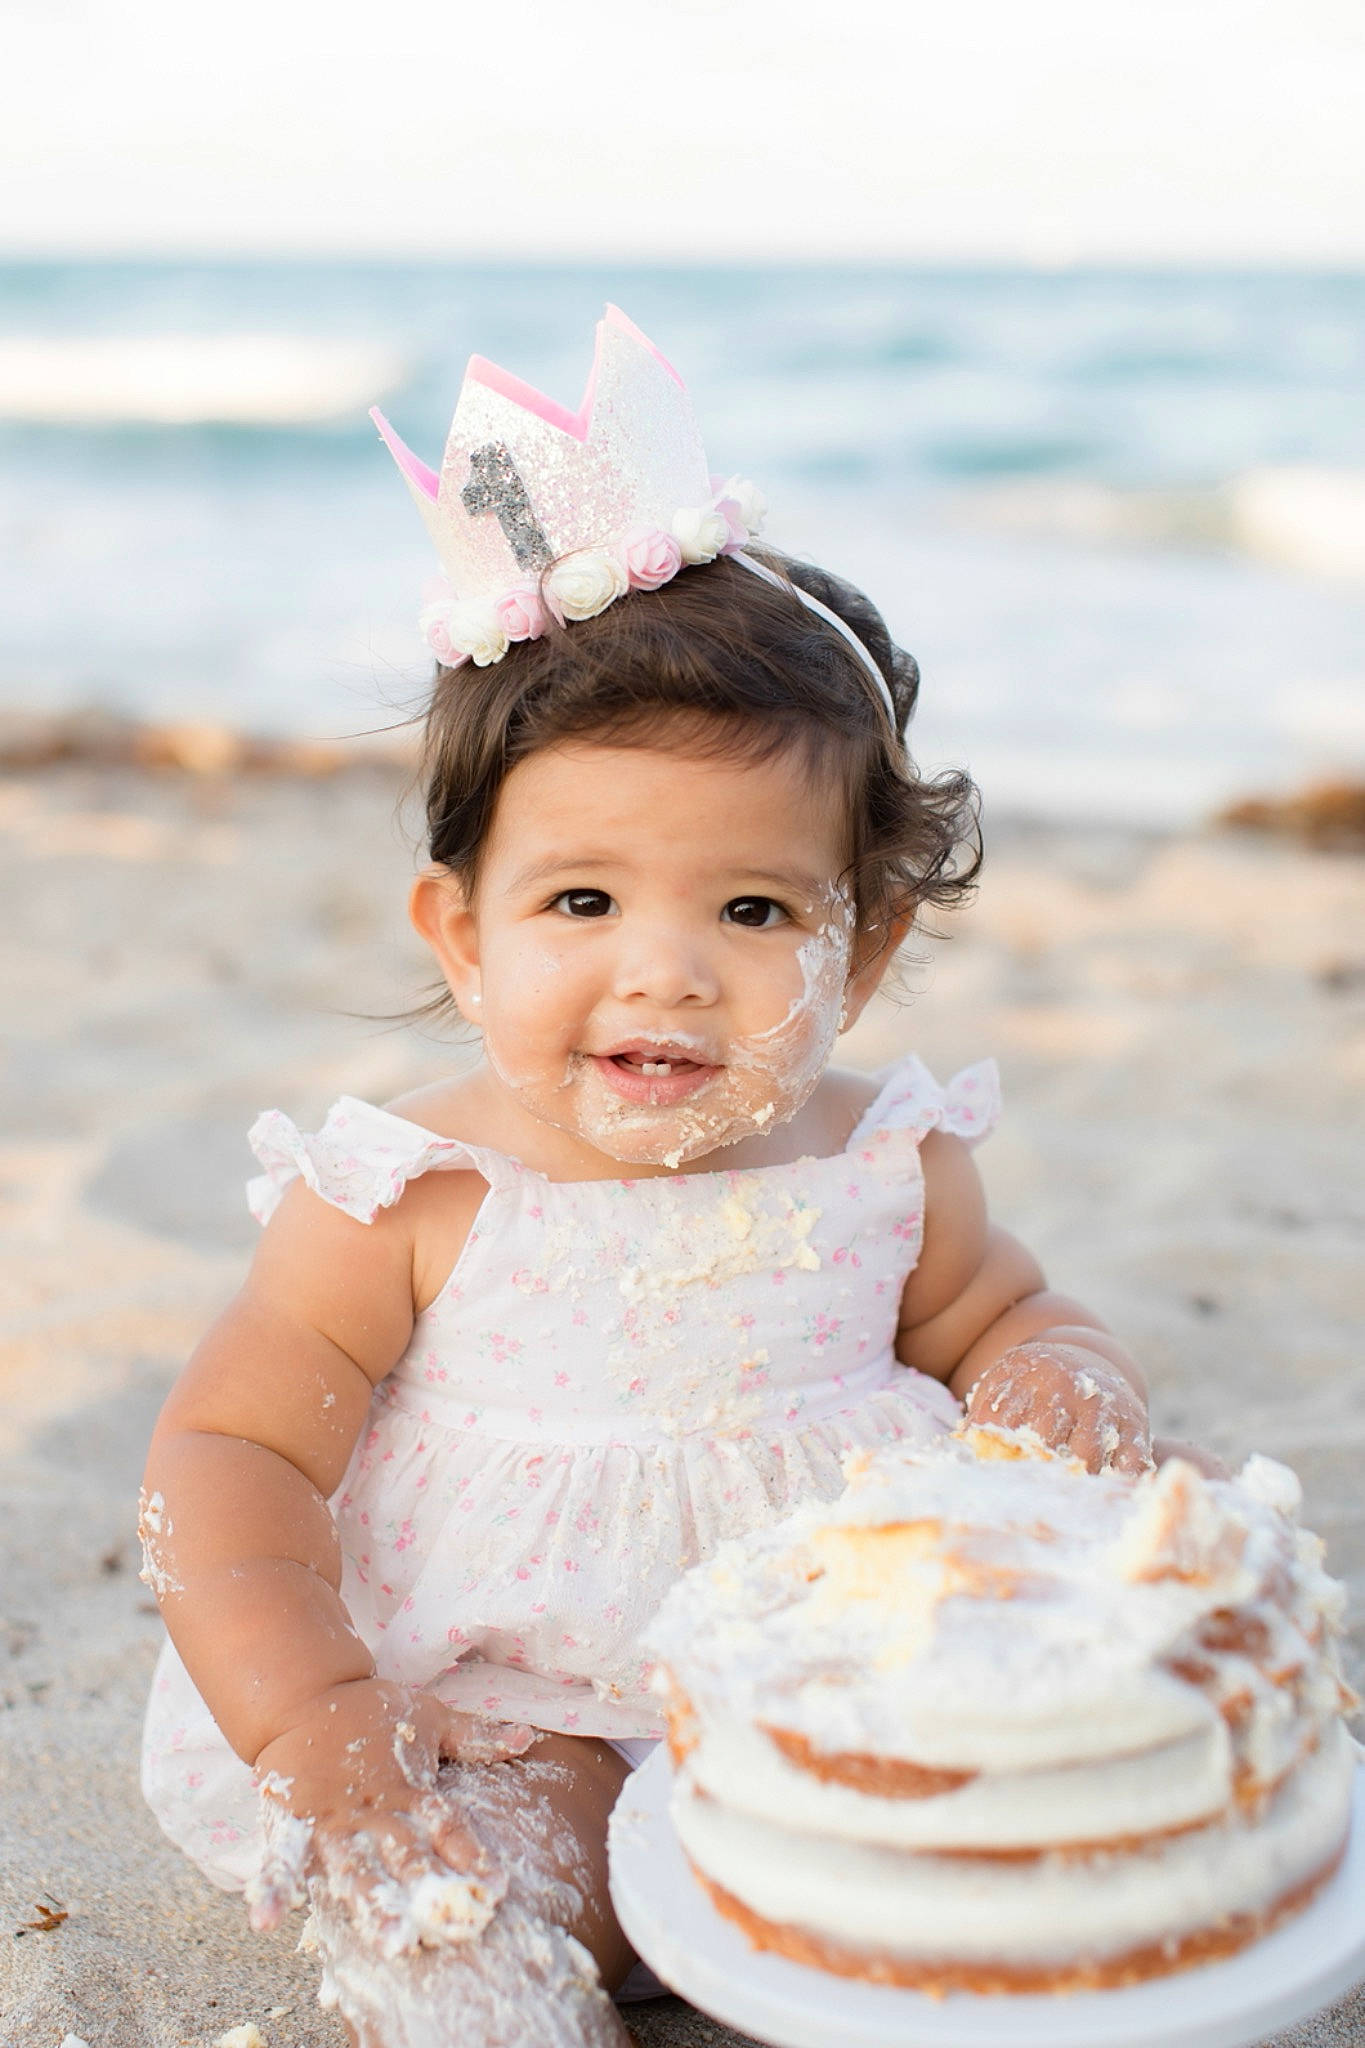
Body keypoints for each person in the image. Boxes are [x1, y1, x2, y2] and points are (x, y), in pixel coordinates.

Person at [139, 307, 1193, 2045]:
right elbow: (231, 1451)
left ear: (859, 955)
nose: (666, 972)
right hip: (512, 1697)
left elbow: (991, 1310)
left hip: (832, 1670)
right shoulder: (409, 1194)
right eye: (580, 902)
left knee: (1009, 1837)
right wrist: (320, 1713)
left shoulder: (881, 1160)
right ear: (459, 937)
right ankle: (468, 1962)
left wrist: (1053, 1374)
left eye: (757, 910)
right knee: (502, 1875)